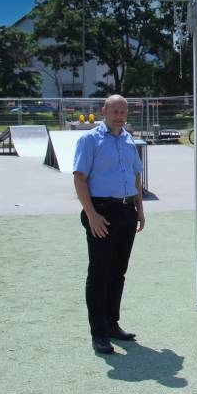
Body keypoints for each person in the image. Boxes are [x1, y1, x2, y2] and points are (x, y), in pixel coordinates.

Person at [73, 94, 146, 355]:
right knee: (99, 274)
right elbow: (80, 179)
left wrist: (140, 209)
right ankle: (99, 333)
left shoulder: (128, 140)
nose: (119, 116)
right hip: (101, 211)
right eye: (114, 111)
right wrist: (90, 214)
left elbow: (136, 176)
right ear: (103, 111)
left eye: (123, 112)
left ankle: (112, 324)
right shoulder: (89, 140)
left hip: (126, 211)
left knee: (118, 273)